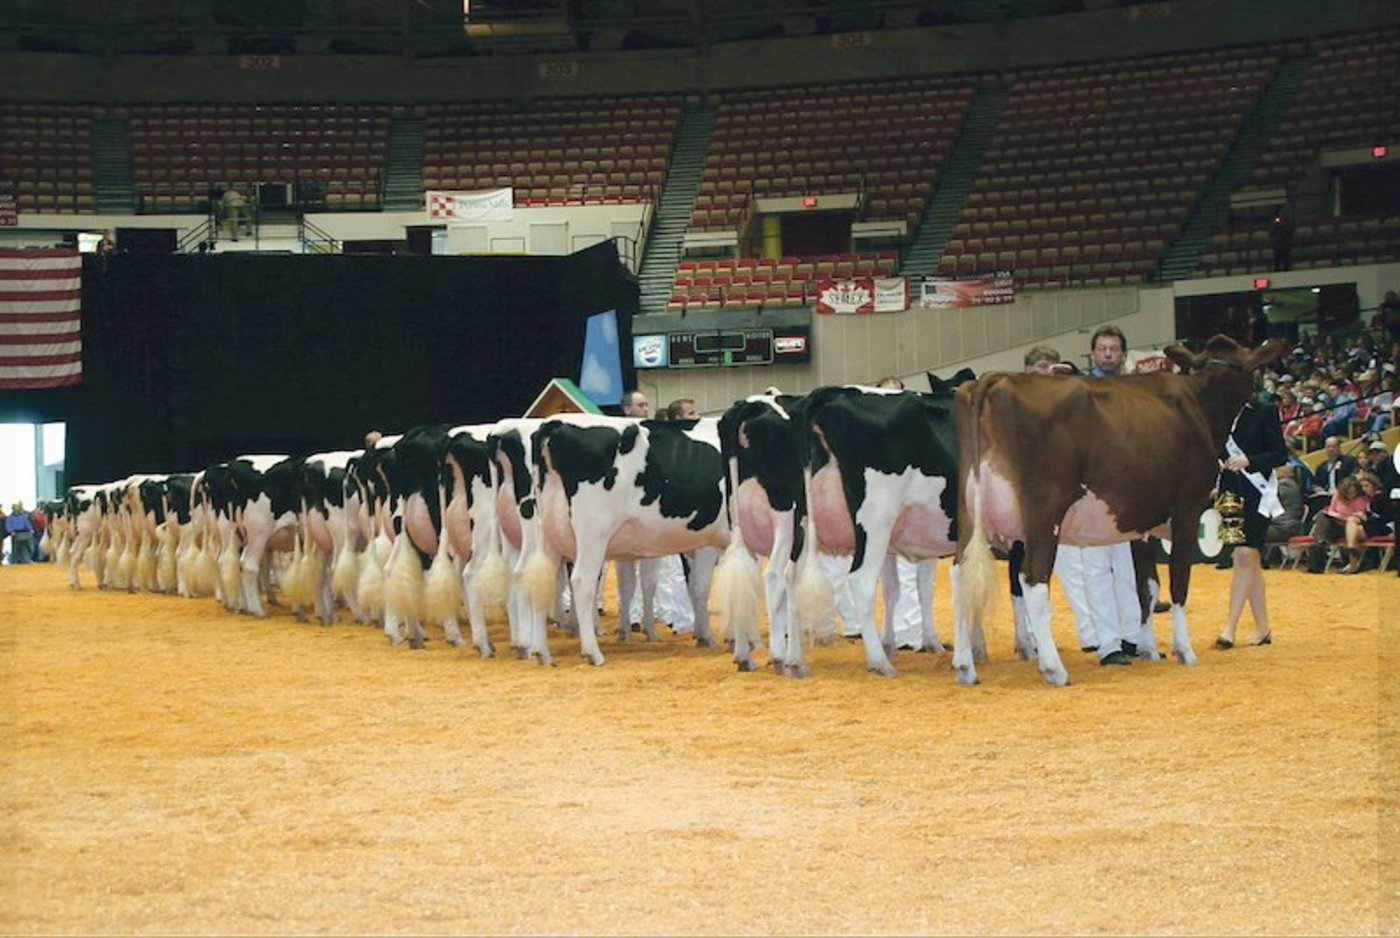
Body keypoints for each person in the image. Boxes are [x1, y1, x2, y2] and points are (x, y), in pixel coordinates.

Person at [1078, 325, 1150, 664]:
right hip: (1089, 486)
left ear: (1123, 355)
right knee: (1095, 566)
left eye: (1114, 349)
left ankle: (1131, 635)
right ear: (1093, 353)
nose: (1108, 353)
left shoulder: (1134, 391)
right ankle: (1108, 643)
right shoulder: (1080, 390)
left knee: (1127, 564)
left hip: (1127, 487)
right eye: (1102, 348)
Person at [1212, 395, 1288, 649]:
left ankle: (1229, 628)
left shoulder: (1264, 411)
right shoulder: (1219, 411)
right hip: (1229, 491)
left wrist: (1250, 460)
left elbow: (1280, 454)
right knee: (1246, 558)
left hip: (1259, 491)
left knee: (1246, 553)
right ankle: (1263, 627)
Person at [1304, 476, 1371, 573]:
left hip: (1350, 528)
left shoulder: (1361, 499)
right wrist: (1341, 516)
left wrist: (1343, 516)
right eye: (1348, 492)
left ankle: (1321, 544)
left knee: (1348, 522)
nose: (1351, 495)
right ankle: (1320, 543)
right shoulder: (1337, 495)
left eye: (1353, 492)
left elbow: (1359, 515)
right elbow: (1331, 510)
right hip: (1335, 524)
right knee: (1322, 516)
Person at [1309, 435, 1358, 516]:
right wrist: (1319, 489)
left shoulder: (1349, 461)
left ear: (1339, 447)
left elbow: (1352, 479)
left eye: (1333, 447)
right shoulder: (1321, 466)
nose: (1331, 449)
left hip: (1343, 496)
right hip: (1326, 497)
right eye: (1328, 447)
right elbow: (1316, 484)